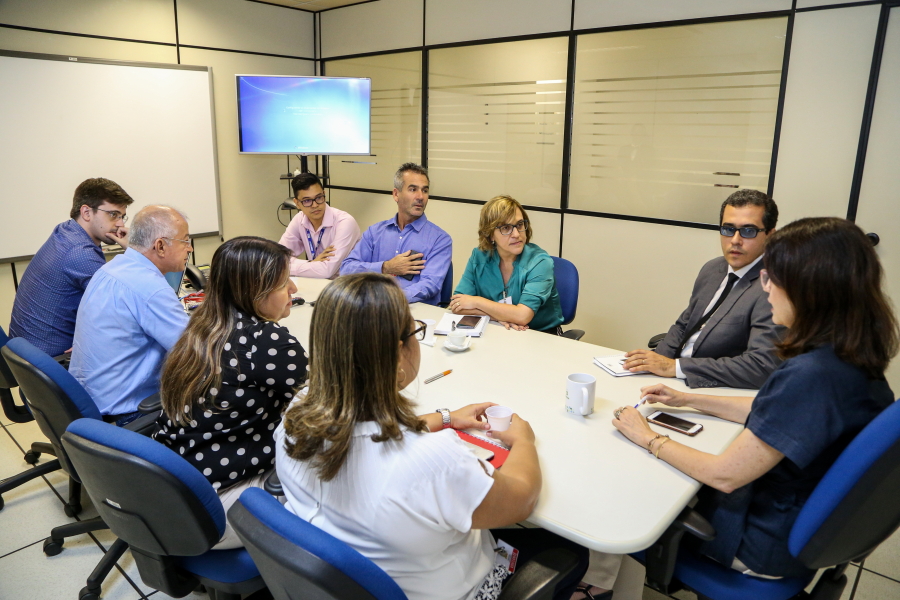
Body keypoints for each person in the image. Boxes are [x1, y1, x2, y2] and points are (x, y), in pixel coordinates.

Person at [275, 273, 590, 600]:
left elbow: (369, 433)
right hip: (452, 588)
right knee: (572, 549)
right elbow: (521, 501)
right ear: (398, 353)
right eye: (415, 331)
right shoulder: (433, 461)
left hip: (349, 581)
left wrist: (446, 417)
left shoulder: (297, 415)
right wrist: (524, 441)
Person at [613, 217, 897, 579]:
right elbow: (777, 410)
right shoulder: (848, 354)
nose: (765, 289)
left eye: (771, 278)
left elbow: (724, 476)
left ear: (809, 290)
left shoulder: (812, 375)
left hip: (758, 542)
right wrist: (686, 400)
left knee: (628, 489)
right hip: (798, 522)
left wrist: (648, 437)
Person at [154, 236, 308, 549]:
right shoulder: (268, 341)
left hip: (170, 493)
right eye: (283, 283)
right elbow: (328, 401)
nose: (293, 289)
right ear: (254, 292)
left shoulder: (203, 324)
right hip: (219, 509)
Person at [623, 189, 784, 389]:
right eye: (728, 229)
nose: (735, 240)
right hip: (673, 379)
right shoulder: (713, 268)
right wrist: (652, 363)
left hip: (714, 387)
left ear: (770, 235)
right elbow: (684, 325)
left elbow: (760, 366)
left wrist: (676, 367)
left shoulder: (774, 287)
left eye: (748, 231)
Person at [70, 205, 192, 426]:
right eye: (185, 241)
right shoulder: (150, 288)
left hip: (91, 403)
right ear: (160, 246)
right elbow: (194, 351)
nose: (190, 249)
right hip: (129, 413)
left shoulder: (110, 269)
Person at [9, 177, 133, 356]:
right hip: (53, 360)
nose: (121, 224)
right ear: (86, 212)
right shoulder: (79, 253)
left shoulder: (66, 231)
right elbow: (127, 308)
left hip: (27, 356)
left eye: (122, 216)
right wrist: (136, 252)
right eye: (113, 214)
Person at [340, 163, 452, 305]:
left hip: (413, 310)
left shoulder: (440, 239)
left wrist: (388, 299)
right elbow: (346, 269)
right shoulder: (375, 233)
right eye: (413, 189)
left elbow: (430, 285)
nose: (420, 197)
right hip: (371, 308)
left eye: (425, 190)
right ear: (396, 194)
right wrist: (385, 267)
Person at [450, 195, 564, 333]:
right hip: (497, 330)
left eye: (519, 225)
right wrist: (498, 317)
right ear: (490, 234)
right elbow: (457, 304)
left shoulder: (540, 262)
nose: (516, 234)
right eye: (505, 228)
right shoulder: (479, 256)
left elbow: (523, 316)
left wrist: (476, 302)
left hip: (540, 335)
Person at [277, 172, 361, 279]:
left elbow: (327, 271)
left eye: (319, 197)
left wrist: (300, 265)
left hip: (346, 284)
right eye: (307, 201)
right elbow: (278, 259)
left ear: (324, 194)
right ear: (297, 203)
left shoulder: (345, 222)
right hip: (316, 281)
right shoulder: (299, 219)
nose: (315, 205)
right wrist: (311, 263)